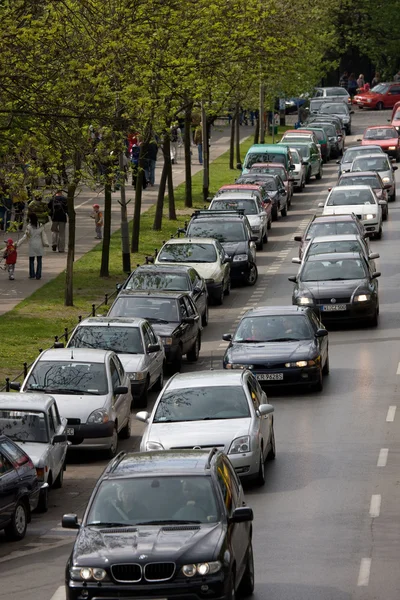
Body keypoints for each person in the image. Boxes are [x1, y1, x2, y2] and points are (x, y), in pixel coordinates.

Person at [18, 213, 49, 280]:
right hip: (39, 244)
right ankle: (38, 275)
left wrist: (18, 244)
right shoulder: (40, 226)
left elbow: (25, 237)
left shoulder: (29, 227)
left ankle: (32, 274)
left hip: (32, 244)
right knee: (39, 260)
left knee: (31, 260)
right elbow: (43, 235)